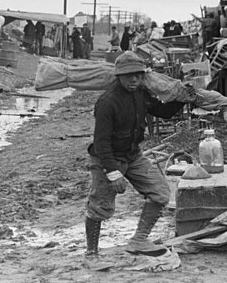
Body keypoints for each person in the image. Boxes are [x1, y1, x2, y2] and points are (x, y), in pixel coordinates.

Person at [84, 51, 197, 260]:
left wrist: (183, 99)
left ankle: (139, 240)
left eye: (138, 74)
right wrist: (113, 173)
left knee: (160, 192)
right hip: (107, 158)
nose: (134, 79)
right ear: (118, 76)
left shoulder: (141, 93)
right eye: (128, 75)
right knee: (99, 207)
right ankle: (91, 253)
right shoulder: (107, 102)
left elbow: (162, 112)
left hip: (133, 155)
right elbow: (101, 143)